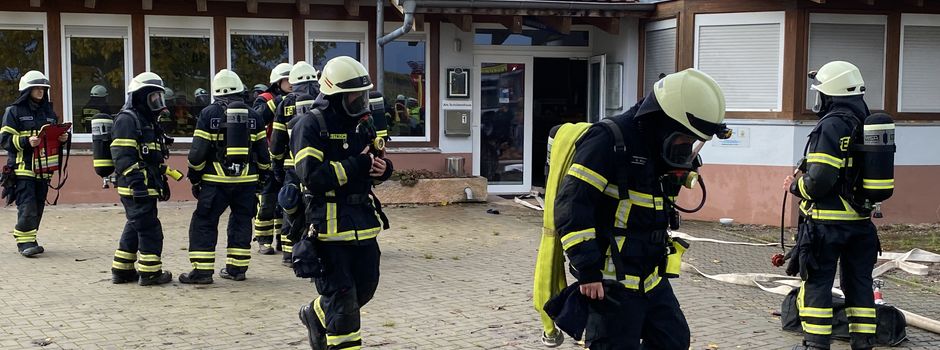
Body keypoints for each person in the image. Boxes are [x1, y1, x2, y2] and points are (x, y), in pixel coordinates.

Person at [552, 68, 726, 349]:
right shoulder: (607, 140)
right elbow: (572, 205)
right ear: (665, 121)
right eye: (685, 138)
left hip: (651, 278)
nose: (686, 147)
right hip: (612, 282)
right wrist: (588, 270)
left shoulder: (656, 145)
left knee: (673, 341)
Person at [295, 56, 393, 350]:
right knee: (343, 305)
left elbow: (373, 160)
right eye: (354, 96)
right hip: (328, 227)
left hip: (363, 223)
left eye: (363, 95)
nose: (361, 101)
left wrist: (383, 169)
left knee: (365, 287)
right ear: (336, 95)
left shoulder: (363, 123)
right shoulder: (311, 124)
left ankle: (316, 313)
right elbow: (312, 177)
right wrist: (357, 165)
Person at [783, 61, 879, 350]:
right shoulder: (866, 122)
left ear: (830, 94)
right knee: (859, 285)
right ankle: (863, 342)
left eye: (820, 93)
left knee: (817, 284)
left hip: (826, 225)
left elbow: (819, 181)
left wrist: (794, 186)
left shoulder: (832, 124)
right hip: (861, 224)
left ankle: (815, 344)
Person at [179, 69, 271, 284]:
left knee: (204, 222)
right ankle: (237, 269)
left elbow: (198, 152)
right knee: (241, 222)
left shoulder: (208, 114)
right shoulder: (254, 115)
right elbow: (263, 154)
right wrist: (261, 179)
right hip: (246, 183)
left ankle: (202, 272)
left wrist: (195, 177)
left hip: (215, 183)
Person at [108, 72, 177, 285]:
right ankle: (150, 273)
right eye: (153, 96)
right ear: (140, 96)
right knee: (150, 229)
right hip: (136, 186)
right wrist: (137, 184)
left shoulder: (146, 120)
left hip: (147, 184)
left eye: (159, 96)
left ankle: (122, 270)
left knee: (135, 225)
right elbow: (123, 156)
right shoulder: (127, 119)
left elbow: (151, 157)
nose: (157, 101)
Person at [1, 70, 67, 257]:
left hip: (43, 170)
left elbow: (51, 140)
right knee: (27, 207)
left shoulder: (49, 113)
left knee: (38, 207)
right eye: (36, 88)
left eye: (43, 88)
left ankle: (30, 239)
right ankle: (25, 243)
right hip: (23, 169)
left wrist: (62, 139)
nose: (40, 91)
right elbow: (5, 140)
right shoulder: (13, 111)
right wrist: (26, 141)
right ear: (27, 90)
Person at [271, 61, 319, 266]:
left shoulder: (285, 103)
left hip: (292, 166)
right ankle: (312, 249)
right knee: (314, 205)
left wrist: (276, 164)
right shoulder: (322, 98)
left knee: (290, 205)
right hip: (315, 164)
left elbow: (277, 139)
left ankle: (289, 254)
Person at [252, 62, 292, 255]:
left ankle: (282, 239)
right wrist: (277, 102)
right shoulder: (265, 99)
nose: (292, 83)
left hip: (288, 158)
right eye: (287, 79)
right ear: (278, 82)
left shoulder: (297, 100)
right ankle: (263, 239)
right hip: (268, 157)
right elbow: (257, 118)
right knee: (267, 200)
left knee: (286, 201)